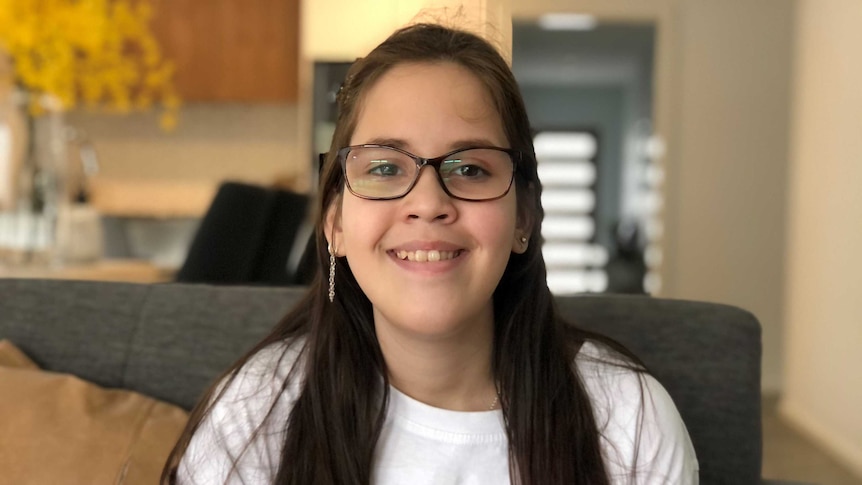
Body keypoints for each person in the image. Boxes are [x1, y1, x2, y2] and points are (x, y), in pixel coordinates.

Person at [163, 23, 698, 485]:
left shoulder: (629, 418)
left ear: (524, 221)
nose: (428, 203)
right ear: (335, 225)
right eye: (385, 167)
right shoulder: (254, 411)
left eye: (469, 168)